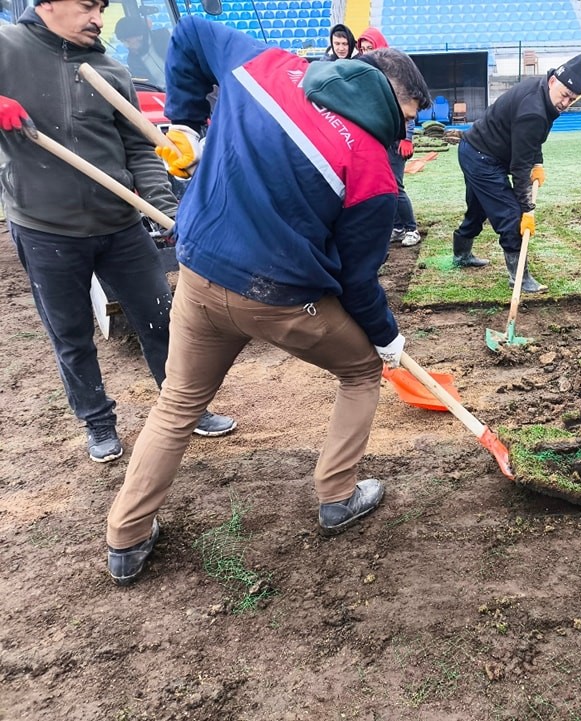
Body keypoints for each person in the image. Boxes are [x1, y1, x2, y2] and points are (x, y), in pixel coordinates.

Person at [103, 16, 431, 585]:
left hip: (200, 272)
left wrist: (188, 123)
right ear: (381, 92)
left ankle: (125, 539)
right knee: (360, 370)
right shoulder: (375, 172)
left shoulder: (269, 68)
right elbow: (357, 281)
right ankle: (338, 495)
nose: (404, 133)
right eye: (406, 117)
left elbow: (191, 35)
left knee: (179, 401)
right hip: (280, 299)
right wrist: (387, 337)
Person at [0, 0, 235, 464]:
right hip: (47, 228)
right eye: (88, 6)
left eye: (102, 8)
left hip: (121, 225)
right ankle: (98, 422)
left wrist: (166, 211)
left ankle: (186, 405)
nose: (98, 18)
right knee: (70, 333)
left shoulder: (109, 70)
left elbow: (139, 149)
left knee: (161, 319)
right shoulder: (7, 49)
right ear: (47, 3)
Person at [451, 53, 581, 293]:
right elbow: (519, 168)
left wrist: (539, 164)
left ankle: (461, 254)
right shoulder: (533, 111)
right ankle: (520, 278)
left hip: (473, 150)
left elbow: (532, 141)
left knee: (478, 208)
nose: (566, 103)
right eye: (565, 95)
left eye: (572, 99)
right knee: (511, 217)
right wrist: (526, 210)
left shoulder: (541, 90)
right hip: (482, 157)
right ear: (554, 80)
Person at [357, 26, 420, 247]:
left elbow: (410, 105)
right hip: (379, 139)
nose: (366, 52)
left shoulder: (394, 70)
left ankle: (412, 228)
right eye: (362, 48)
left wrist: (407, 137)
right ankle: (397, 226)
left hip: (396, 140)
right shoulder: (364, 72)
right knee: (384, 184)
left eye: (370, 48)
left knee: (396, 185)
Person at [114, 15, 165, 88]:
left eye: (127, 40)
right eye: (123, 42)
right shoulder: (132, 60)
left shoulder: (164, 36)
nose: (126, 45)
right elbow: (148, 85)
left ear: (139, 36)